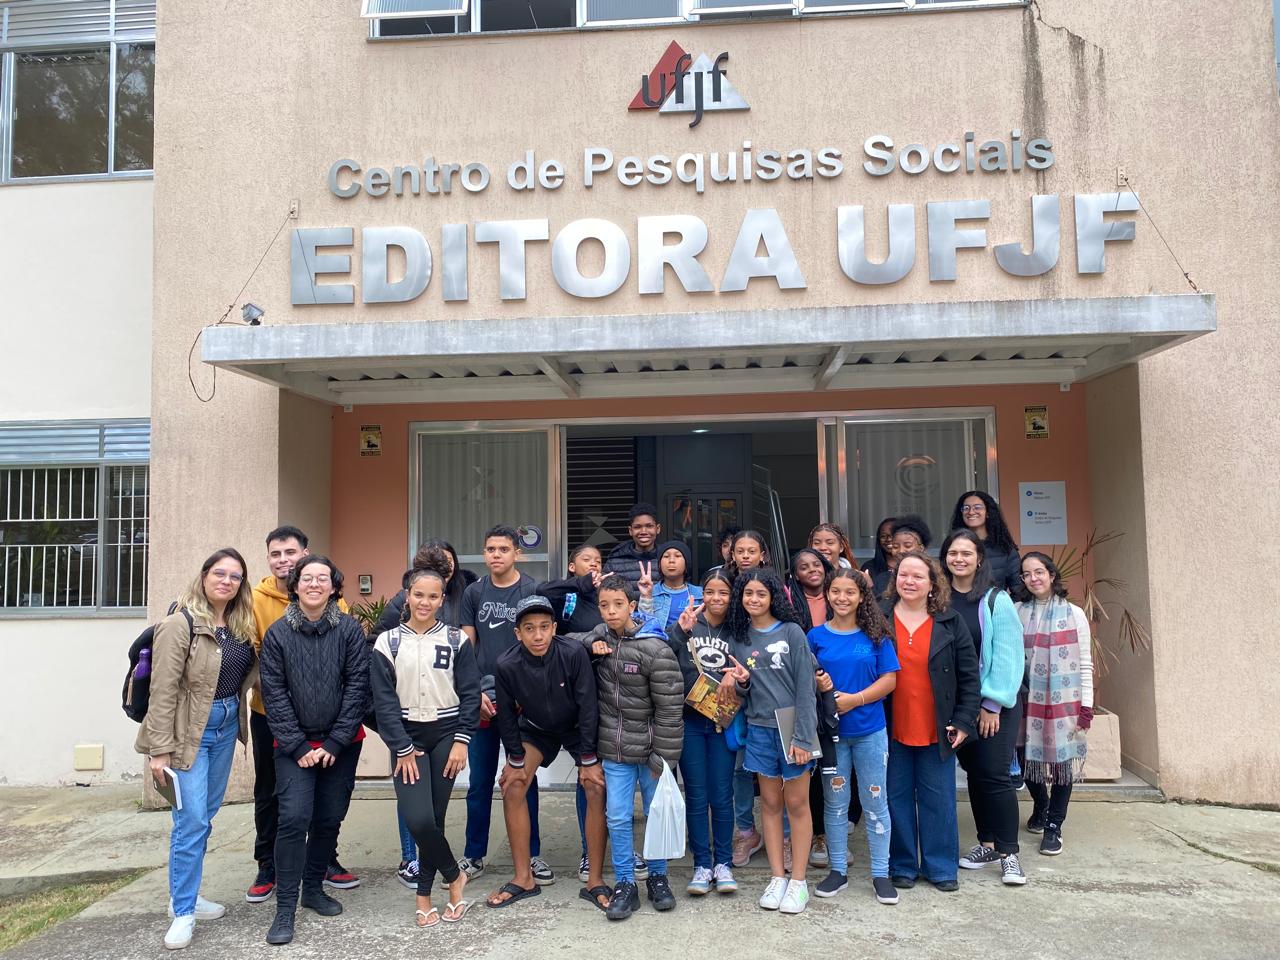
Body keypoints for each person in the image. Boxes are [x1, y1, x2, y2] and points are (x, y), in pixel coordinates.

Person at [137, 548, 259, 950]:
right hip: (190, 732)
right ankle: (183, 911)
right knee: (190, 821)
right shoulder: (180, 623)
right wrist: (159, 750)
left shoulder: (240, 624)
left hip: (226, 727)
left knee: (203, 816)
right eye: (219, 573)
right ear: (204, 576)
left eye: (235, 576)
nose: (227, 581)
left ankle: (183, 894)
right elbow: (163, 690)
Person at [259, 555, 370, 946]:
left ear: (334, 587)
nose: (314, 584)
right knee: (293, 818)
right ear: (295, 585)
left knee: (328, 818)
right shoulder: (277, 634)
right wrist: (299, 745)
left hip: (341, 744)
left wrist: (336, 741)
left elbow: (358, 686)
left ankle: (313, 890)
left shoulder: (349, 629)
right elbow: (273, 693)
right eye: (307, 578)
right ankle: (285, 908)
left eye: (323, 578)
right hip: (294, 747)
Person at [247, 527, 355, 906]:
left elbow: (348, 666)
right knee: (273, 794)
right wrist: (287, 720)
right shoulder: (255, 600)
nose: (283, 560)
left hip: (327, 721)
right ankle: (268, 866)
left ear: (304, 555)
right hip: (271, 714)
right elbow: (253, 653)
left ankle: (323, 862)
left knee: (327, 802)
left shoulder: (334, 603)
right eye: (275, 554)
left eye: (290, 552)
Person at [485, 596, 609, 911]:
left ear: (554, 628)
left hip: (576, 727)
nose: (537, 635)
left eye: (543, 627)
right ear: (518, 633)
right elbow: (506, 717)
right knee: (513, 784)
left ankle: (595, 880)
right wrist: (515, 759)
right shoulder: (506, 664)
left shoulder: (573, 653)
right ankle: (523, 877)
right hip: (536, 728)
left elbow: (588, 706)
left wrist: (588, 759)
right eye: (529, 628)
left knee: (595, 785)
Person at [369, 569, 478, 926]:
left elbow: (470, 693)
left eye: (433, 596)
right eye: (419, 594)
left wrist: (462, 740)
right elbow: (383, 702)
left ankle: (423, 895)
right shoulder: (387, 643)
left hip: (446, 733)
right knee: (418, 819)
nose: (425, 602)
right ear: (407, 595)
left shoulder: (456, 640)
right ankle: (455, 876)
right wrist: (401, 747)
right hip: (407, 737)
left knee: (436, 818)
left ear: (442, 600)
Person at [580, 574, 683, 921]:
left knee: (656, 815)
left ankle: (658, 877)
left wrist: (663, 757)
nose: (611, 611)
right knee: (618, 817)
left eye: (618, 605)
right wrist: (591, 643)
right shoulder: (600, 638)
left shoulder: (655, 648)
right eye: (604, 605)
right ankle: (625, 882)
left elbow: (670, 708)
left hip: (652, 752)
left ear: (633, 606)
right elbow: (573, 640)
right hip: (615, 750)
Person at [881, 550, 980, 894]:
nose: (909, 581)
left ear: (932, 583)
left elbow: (969, 677)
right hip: (889, 727)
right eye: (903, 575)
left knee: (939, 800)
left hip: (938, 727)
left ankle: (940, 867)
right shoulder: (878, 618)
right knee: (896, 799)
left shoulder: (950, 622)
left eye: (917, 576)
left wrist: (964, 720)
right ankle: (902, 865)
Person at [721, 567, 818, 915]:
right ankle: (777, 877)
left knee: (797, 804)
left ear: (773, 596)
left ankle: (799, 881)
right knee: (771, 805)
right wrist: (741, 683)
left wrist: (803, 735)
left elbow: (806, 688)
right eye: (748, 593)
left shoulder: (792, 632)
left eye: (761, 593)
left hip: (793, 725)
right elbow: (743, 693)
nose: (754, 599)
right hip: (759, 727)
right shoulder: (739, 637)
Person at [458, 525, 547, 884]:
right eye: (491, 549)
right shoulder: (474, 592)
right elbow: (466, 648)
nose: (496, 555)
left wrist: (528, 695)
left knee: (524, 779)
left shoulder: (531, 590)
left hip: (520, 702)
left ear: (517, 554)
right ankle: (474, 854)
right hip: (482, 701)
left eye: (503, 549)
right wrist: (472, 693)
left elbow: (539, 645)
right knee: (479, 782)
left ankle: (533, 855)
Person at [940, 530, 1027, 886]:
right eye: (953, 553)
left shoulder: (995, 600)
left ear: (979, 559)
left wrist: (991, 705)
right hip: (959, 706)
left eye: (966, 553)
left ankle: (1009, 854)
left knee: (994, 775)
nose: (959, 559)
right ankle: (987, 843)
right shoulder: (938, 599)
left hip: (993, 705)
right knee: (975, 773)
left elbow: (1008, 657)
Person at [808, 568, 899, 905]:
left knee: (875, 800)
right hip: (831, 736)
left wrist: (855, 700)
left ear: (862, 597)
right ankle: (837, 871)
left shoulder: (877, 636)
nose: (842, 598)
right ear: (827, 595)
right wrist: (818, 685)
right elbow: (804, 676)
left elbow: (889, 680)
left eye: (850, 592)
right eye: (836, 591)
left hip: (869, 732)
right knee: (835, 804)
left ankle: (880, 873)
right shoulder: (815, 636)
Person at [663, 569, 739, 896]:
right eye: (710, 592)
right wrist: (680, 630)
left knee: (721, 794)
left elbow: (751, 666)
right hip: (690, 721)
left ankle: (723, 863)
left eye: (723, 592)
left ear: (732, 596)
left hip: (723, 721)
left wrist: (738, 679)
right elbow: (664, 658)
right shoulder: (688, 624)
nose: (716, 598)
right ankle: (702, 864)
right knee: (695, 794)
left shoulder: (739, 628)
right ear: (700, 594)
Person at [1015, 551, 1093, 857]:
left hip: (1064, 702)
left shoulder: (1074, 614)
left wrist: (1086, 708)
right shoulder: (1017, 611)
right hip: (1025, 699)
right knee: (1024, 758)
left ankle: (1053, 826)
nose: (1033, 578)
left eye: (1038, 572)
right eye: (1026, 574)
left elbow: (1084, 662)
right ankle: (1042, 804)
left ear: (1051, 574)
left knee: (1062, 765)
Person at [535, 542, 604, 883]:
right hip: (565, 691)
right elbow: (541, 592)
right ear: (573, 566)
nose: (594, 565)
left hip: (604, 690)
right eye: (586, 560)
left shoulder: (605, 596)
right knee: (583, 771)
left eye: (598, 561)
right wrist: (579, 583)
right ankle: (587, 852)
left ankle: (596, 849)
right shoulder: (566, 595)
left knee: (597, 774)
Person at [375, 539, 476, 636]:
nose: (443, 566)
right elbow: (377, 639)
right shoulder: (403, 599)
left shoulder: (467, 595)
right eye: (438, 561)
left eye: (448, 561)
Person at [949, 491, 1021, 591]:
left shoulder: (1006, 550)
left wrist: (999, 601)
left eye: (977, 507)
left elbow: (1018, 591)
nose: (971, 512)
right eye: (966, 508)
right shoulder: (952, 546)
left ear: (988, 513)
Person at [639, 540, 703, 628]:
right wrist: (646, 596)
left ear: (686, 564)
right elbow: (644, 626)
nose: (671, 560)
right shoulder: (651, 592)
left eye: (677, 556)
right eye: (666, 556)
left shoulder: (699, 593)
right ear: (659, 565)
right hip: (659, 637)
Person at [872, 515, 933, 597]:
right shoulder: (881, 580)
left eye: (907, 546)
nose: (901, 551)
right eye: (895, 546)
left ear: (921, 548)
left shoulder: (933, 577)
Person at [603, 502, 662, 587]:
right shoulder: (615, 562)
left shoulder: (667, 559)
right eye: (637, 527)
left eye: (649, 526)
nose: (643, 531)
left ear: (658, 529)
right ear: (630, 531)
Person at [788, 548, 832, 632]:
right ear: (796, 575)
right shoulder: (791, 604)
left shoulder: (837, 598)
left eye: (817, 565)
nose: (812, 570)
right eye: (804, 568)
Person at [862, 517, 897, 583]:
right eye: (883, 536)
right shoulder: (869, 567)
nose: (888, 539)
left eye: (893, 535)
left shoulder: (913, 565)